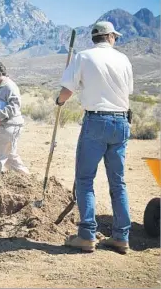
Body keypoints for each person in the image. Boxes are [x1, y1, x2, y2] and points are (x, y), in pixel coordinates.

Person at [57, 21, 133, 254]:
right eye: (115, 37)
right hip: (121, 122)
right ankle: (121, 236)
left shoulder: (83, 56)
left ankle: (87, 235)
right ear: (109, 37)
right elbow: (128, 90)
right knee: (118, 182)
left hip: (96, 121)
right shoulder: (124, 59)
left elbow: (67, 89)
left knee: (85, 180)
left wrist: (59, 102)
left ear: (95, 37)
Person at [0, 61, 29, 175]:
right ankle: (28, 179)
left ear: (0, 73)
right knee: (10, 158)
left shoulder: (9, 86)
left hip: (5, 127)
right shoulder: (0, 87)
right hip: (3, 127)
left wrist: (0, 115)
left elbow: (15, 105)